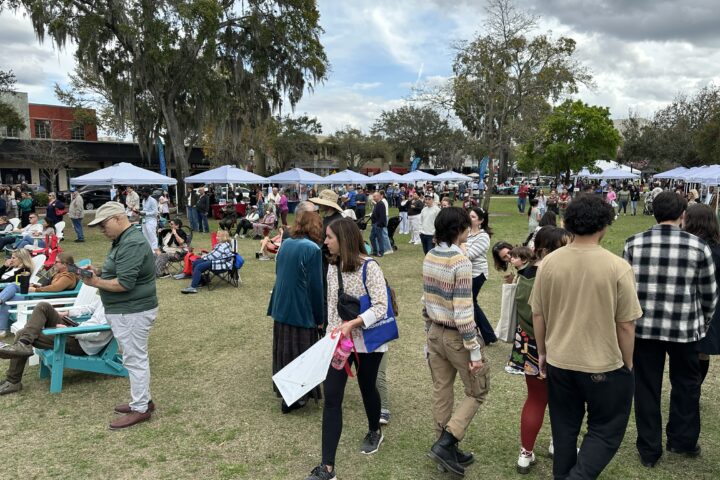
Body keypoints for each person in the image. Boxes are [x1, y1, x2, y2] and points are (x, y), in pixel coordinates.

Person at [531, 194, 642, 479]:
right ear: (604, 225)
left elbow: (538, 314)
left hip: (560, 361)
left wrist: (542, 353)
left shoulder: (548, 264)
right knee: (606, 431)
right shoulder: (617, 267)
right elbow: (626, 324)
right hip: (605, 365)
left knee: (564, 429)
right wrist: (627, 363)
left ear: (568, 224)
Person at [623, 191, 717, 467]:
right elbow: (709, 294)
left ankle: (649, 449)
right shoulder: (698, 247)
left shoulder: (633, 244)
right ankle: (682, 440)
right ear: (682, 215)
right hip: (685, 329)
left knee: (646, 388)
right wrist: (704, 323)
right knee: (686, 386)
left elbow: (625, 291)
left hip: (645, 329)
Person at [304, 219, 389, 480]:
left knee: (367, 387)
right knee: (332, 396)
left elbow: (380, 306)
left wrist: (353, 323)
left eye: (329, 237)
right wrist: (331, 337)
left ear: (344, 238)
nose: (325, 241)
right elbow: (332, 305)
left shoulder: (370, 267)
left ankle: (374, 430)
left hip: (369, 342)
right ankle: (327, 468)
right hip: (341, 343)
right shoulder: (333, 267)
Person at [423, 207, 489, 476]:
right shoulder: (461, 262)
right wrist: (474, 351)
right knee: (478, 390)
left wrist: (428, 335)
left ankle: (445, 447)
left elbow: (426, 298)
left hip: (435, 332)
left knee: (442, 389)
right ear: (459, 230)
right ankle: (447, 442)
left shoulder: (430, 255)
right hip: (455, 336)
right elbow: (463, 310)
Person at [85, 201, 159, 429]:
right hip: (128, 310)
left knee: (135, 359)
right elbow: (119, 271)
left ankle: (140, 408)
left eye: (104, 224)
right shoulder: (123, 241)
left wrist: (96, 281)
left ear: (118, 218)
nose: (101, 230)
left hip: (132, 310)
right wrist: (98, 272)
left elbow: (125, 283)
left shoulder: (131, 243)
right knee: (133, 358)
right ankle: (142, 400)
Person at [508, 227, 570, 474]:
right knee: (563, 401)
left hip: (529, 342)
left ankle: (526, 452)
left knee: (535, 398)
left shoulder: (526, 274)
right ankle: (558, 445)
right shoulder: (562, 273)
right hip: (558, 343)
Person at [268, 209, 324, 413]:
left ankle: (288, 393)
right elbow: (316, 287)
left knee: (285, 349)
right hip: (301, 309)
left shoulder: (287, 244)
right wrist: (320, 317)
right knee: (301, 351)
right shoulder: (312, 249)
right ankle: (297, 395)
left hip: (282, 305)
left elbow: (279, 274)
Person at [0, 297, 112, 395]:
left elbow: (98, 335)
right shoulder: (108, 295)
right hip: (78, 329)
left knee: (21, 333)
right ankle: (23, 344)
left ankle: (13, 380)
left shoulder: (116, 309)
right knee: (43, 306)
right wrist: (68, 312)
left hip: (81, 342)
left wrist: (70, 331)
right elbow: (90, 307)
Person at [683, 203, 720, 385]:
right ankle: (695, 386)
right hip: (713, 305)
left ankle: (691, 386)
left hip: (696, 305)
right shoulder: (716, 249)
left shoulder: (694, 250)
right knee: (703, 351)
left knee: (693, 350)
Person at [465, 207, 496, 345]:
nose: (469, 218)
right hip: (467, 273)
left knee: (471, 302)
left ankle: (486, 335)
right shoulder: (466, 232)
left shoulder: (483, 237)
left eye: (473, 217)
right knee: (472, 302)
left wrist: (459, 245)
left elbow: (468, 255)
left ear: (481, 221)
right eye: (469, 215)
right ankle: (488, 335)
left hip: (477, 274)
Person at [181, 230, 234, 294]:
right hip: (217, 261)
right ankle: (201, 282)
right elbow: (213, 254)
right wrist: (205, 256)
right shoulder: (220, 244)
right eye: (217, 236)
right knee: (196, 262)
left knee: (198, 267)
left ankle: (193, 287)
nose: (216, 237)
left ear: (224, 237)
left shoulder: (223, 246)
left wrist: (203, 257)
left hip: (222, 265)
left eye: (219, 236)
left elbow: (214, 256)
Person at [0, 249, 34, 337]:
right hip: (8, 295)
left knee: (12, 285)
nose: (11, 260)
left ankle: (1, 330)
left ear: (21, 259)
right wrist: (4, 266)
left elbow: (13, 282)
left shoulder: (24, 270)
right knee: (6, 302)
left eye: (13, 258)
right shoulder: (11, 267)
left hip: (18, 293)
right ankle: (1, 331)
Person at [369, 191, 387, 257]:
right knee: (371, 238)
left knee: (380, 239)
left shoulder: (381, 204)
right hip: (375, 224)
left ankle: (381, 252)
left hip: (378, 225)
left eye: (374, 196)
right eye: (373, 196)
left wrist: (378, 224)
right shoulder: (377, 204)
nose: (373, 198)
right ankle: (375, 251)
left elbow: (382, 216)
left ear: (379, 196)